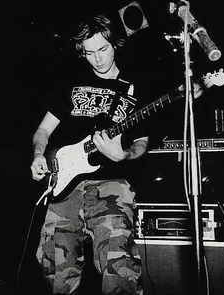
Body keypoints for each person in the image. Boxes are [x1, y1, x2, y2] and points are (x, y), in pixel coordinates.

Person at [30, 14, 149, 295]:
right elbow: (43, 131)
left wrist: (123, 155)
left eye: (103, 49)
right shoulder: (70, 86)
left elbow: (142, 143)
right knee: (56, 270)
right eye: (89, 52)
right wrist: (38, 155)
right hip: (64, 189)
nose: (97, 59)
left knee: (119, 268)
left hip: (111, 186)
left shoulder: (136, 89)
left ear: (115, 45)